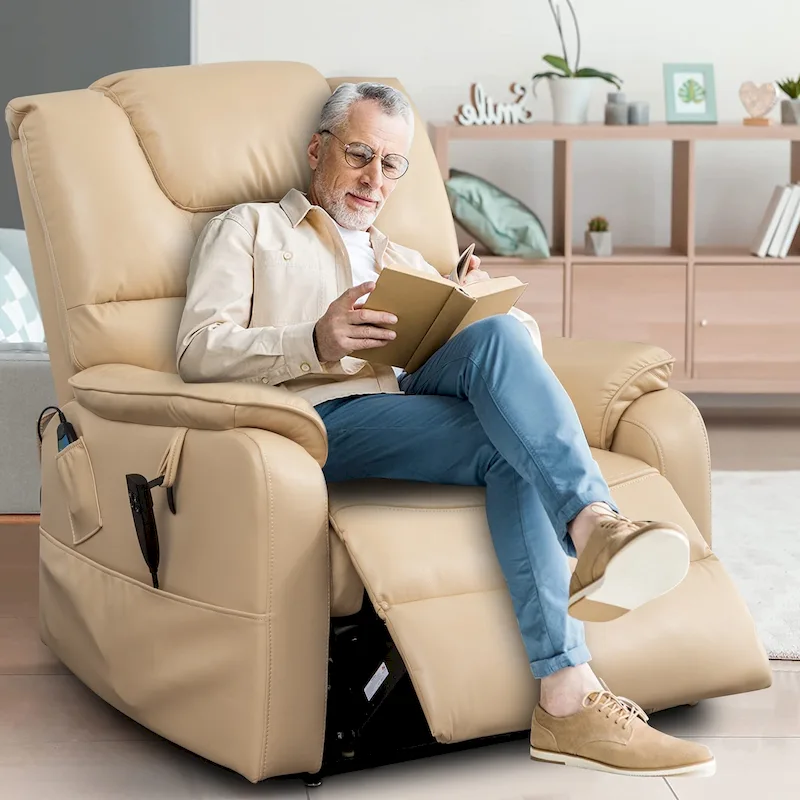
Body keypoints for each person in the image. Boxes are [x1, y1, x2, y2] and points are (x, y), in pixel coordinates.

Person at [176, 82, 715, 778]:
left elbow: (507, 356)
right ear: (318, 150)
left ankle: (579, 627)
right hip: (315, 419)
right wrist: (314, 338)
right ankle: (581, 621)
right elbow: (196, 351)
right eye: (361, 155)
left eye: (392, 165)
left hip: (406, 400)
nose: (375, 179)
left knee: (498, 361)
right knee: (508, 430)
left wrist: (482, 304)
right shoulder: (250, 229)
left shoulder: (400, 258)